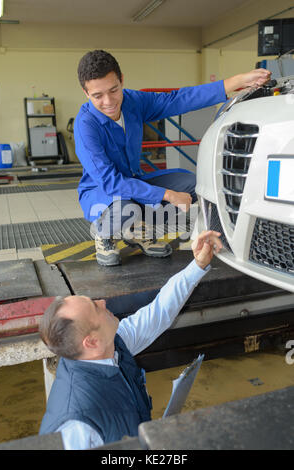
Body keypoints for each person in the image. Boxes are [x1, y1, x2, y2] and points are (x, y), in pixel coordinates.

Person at [74, 49, 271, 266]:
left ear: (122, 80)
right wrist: (167, 194)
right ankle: (104, 234)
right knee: (124, 205)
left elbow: (177, 100)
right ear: (85, 93)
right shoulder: (86, 125)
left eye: (114, 90)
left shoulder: (132, 101)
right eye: (97, 96)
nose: (109, 101)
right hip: (102, 193)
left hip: (134, 181)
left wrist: (237, 81)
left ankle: (138, 230)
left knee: (191, 184)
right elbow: (110, 182)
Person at [39, 230, 223, 450]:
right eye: (94, 307)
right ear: (91, 342)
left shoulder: (112, 345)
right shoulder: (75, 425)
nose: (103, 302)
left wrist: (197, 265)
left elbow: (159, 312)